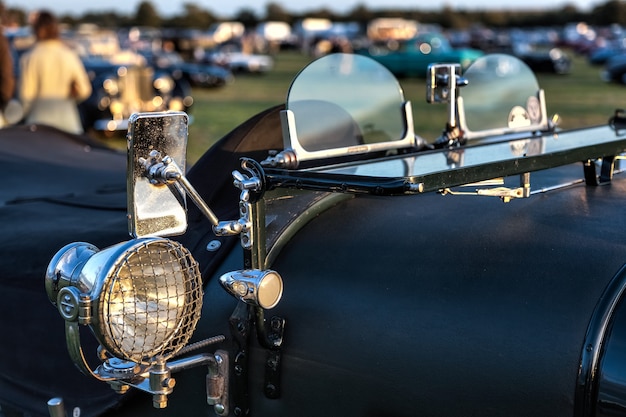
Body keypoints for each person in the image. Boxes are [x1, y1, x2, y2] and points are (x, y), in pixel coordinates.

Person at [18, 10, 91, 134]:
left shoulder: (29, 58)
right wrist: (72, 95)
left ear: (36, 29)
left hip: (38, 124)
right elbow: (85, 90)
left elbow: (26, 96)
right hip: (68, 123)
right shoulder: (69, 55)